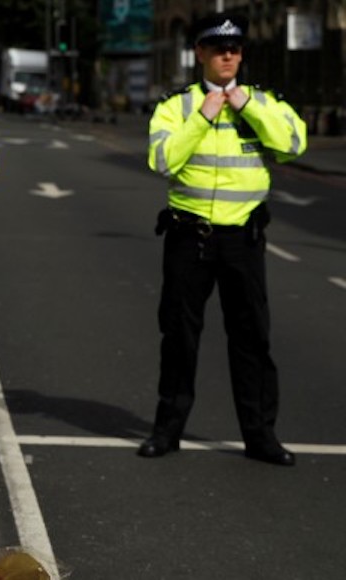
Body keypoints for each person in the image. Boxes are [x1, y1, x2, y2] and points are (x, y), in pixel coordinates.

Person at [140, 13, 305, 466]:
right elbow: (161, 160)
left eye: (234, 48)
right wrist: (202, 118)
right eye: (217, 48)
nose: (227, 55)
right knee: (179, 336)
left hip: (243, 239)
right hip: (188, 235)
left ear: (242, 54)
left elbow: (293, 143)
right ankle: (166, 430)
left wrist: (247, 107)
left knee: (252, 338)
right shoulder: (177, 105)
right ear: (200, 54)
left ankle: (260, 436)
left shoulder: (265, 101)